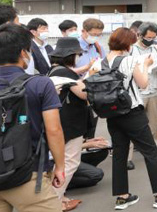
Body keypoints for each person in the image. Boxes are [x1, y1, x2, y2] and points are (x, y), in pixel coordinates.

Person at [90, 28, 157, 209]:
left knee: (119, 153)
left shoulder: (99, 62)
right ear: (127, 44)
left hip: (111, 114)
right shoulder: (129, 60)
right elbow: (143, 83)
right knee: (150, 152)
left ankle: (122, 196)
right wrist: (146, 64)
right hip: (131, 111)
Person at [0, 23, 64, 212]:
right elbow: (54, 130)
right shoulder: (40, 84)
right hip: (28, 176)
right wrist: (59, 166)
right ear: (23, 53)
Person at [47, 38, 89, 211]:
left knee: (60, 162)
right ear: (71, 55)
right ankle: (54, 201)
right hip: (70, 124)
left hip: (60, 120)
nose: (79, 57)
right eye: (78, 54)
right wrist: (92, 75)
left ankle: (59, 196)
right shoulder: (66, 73)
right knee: (69, 162)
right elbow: (84, 94)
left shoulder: (53, 70)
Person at [130, 23, 157, 161]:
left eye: (153, 37)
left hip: (153, 89)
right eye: (148, 37)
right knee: (132, 126)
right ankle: (127, 158)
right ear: (140, 35)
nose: (150, 40)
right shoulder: (131, 49)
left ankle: (155, 152)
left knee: (152, 125)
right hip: (136, 92)